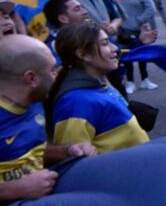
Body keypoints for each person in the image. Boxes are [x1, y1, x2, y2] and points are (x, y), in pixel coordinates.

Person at [0, 35, 97, 201]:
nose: (57, 75)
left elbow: (26, 150)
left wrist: (67, 151)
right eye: (52, 70)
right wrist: (11, 190)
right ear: (32, 78)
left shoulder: (35, 103)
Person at [48, 21, 149, 153]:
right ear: (83, 55)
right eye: (105, 43)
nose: (115, 48)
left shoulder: (100, 81)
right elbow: (78, 164)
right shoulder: (75, 103)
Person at [111, 0, 158, 93]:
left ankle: (145, 79)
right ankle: (130, 81)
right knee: (126, 55)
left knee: (142, 55)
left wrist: (139, 19)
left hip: (139, 29)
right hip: (123, 31)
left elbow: (151, 8)